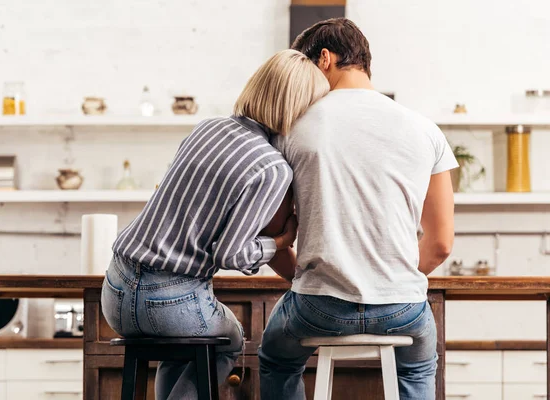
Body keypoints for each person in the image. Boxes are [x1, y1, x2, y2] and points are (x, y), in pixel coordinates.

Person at [101, 49, 329, 400]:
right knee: (229, 339)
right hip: (169, 300)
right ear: (299, 109)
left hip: (115, 289)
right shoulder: (271, 167)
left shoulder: (208, 127)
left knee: (181, 351)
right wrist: (281, 241)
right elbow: (232, 255)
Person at [259, 18, 458, 400]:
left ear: (324, 60)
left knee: (276, 360)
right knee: (418, 370)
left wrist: (306, 278)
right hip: (402, 306)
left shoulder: (290, 129)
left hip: (319, 305)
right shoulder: (425, 129)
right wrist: (386, 281)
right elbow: (442, 244)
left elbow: (274, 231)